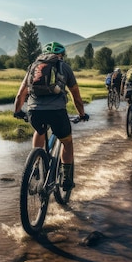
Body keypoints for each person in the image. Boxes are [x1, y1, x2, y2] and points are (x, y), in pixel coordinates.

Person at [13, 41, 86, 191]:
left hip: (34, 111)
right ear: (61, 55)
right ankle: (66, 179)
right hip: (57, 112)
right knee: (67, 142)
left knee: (40, 131)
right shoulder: (64, 67)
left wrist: (18, 111)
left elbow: (21, 93)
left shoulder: (34, 67)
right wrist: (82, 114)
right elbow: (76, 97)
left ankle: (36, 165)